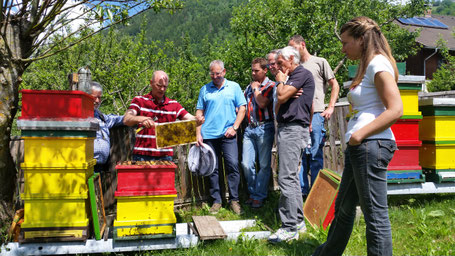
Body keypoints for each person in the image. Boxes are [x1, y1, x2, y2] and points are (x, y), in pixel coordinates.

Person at [313, 16, 402, 256]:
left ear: (361, 39)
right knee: (343, 207)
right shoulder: (369, 64)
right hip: (361, 146)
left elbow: (396, 109)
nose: (342, 48)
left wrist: (360, 134)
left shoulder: (378, 64)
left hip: (370, 145)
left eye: (345, 42)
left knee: (375, 216)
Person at [267, 46, 314, 243]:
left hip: (294, 129)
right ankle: (298, 222)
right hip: (287, 128)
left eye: (280, 63)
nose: (277, 67)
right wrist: (283, 90)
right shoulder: (291, 77)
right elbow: (278, 103)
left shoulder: (301, 73)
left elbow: (282, 96)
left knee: (286, 178)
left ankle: (289, 227)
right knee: (291, 177)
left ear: (292, 59)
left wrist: (282, 84)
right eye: (276, 64)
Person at [288, 35, 340, 198]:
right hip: (299, 116)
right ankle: (303, 194)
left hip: (317, 114)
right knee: (301, 156)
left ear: (302, 45)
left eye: (293, 48)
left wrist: (330, 107)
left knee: (316, 154)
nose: (291, 51)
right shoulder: (293, 67)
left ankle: (317, 194)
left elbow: (335, 85)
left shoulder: (320, 62)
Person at [196, 60, 247, 215]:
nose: (215, 76)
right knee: (213, 168)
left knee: (232, 165)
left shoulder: (234, 87)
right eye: (212, 74)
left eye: (218, 73)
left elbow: (242, 109)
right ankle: (216, 201)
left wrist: (235, 128)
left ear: (224, 72)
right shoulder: (205, 89)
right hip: (209, 135)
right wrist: (198, 133)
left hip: (228, 134)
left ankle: (234, 200)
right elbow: (199, 113)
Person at [123, 70, 200, 161]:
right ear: (151, 83)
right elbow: (126, 119)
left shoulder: (174, 104)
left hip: (165, 157)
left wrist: (198, 119)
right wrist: (141, 119)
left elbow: (191, 118)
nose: (162, 89)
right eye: (159, 86)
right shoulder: (139, 100)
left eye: (165, 86)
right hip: (142, 156)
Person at [241, 58, 275, 209]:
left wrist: (255, 89)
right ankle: (254, 192)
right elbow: (242, 105)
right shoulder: (248, 87)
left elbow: (262, 103)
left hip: (264, 128)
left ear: (265, 70)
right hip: (249, 128)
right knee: (246, 164)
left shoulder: (270, 86)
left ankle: (259, 196)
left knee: (264, 164)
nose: (253, 73)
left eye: (257, 70)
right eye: (252, 70)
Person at [91, 81, 124, 173]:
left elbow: (117, 119)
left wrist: (135, 116)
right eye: (94, 97)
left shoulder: (101, 116)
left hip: (101, 167)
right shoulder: (80, 117)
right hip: (87, 167)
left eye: (99, 98)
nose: (97, 101)